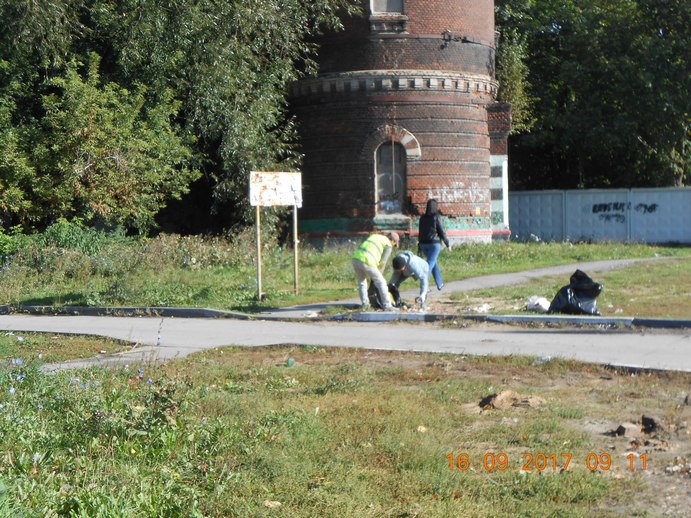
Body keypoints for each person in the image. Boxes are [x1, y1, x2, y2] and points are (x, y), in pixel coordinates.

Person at [352, 231, 400, 310]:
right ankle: (387, 306)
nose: (393, 246)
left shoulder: (375, 236)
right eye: (394, 244)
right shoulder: (388, 245)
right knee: (381, 282)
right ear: (393, 241)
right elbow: (382, 263)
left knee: (362, 282)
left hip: (356, 259)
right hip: (367, 260)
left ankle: (365, 305)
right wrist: (377, 277)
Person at [418, 198, 451, 290]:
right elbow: (441, 231)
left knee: (433, 263)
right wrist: (447, 244)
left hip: (423, 244)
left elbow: (420, 232)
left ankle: (439, 283)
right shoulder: (437, 217)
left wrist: (419, 245)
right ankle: (425, 286)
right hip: (434, 244)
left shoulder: (422, 218)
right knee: (429, 264)